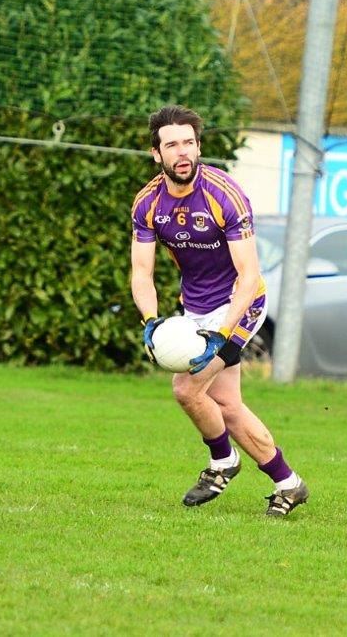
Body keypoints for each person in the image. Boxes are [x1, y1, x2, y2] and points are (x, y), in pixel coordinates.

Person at [130, 105, 309, 517]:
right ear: (156, 154)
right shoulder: (147, 203)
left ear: (199, 147)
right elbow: (142, 271)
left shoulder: (223, 195)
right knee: (225, 403)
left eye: (189, 143)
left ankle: (223, 462)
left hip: (240, 306)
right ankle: (288, 482)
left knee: (187, 389)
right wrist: (151, 321)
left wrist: (223, 334)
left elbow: (249, 275)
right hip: (195, 307)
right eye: (172, 145)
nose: (183, 153)